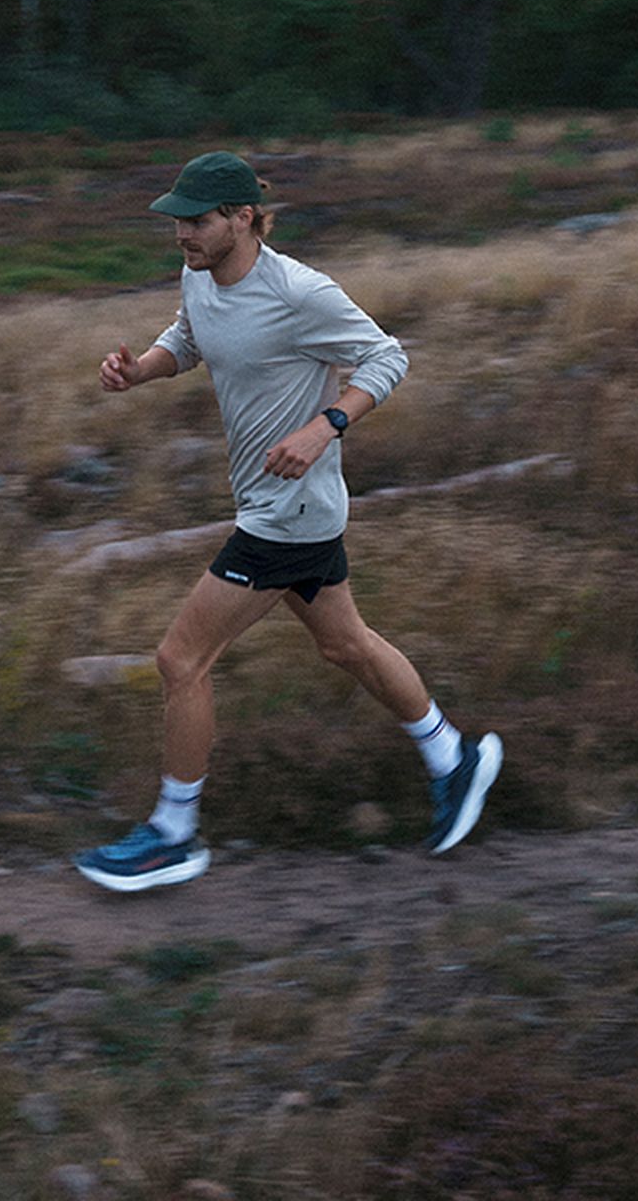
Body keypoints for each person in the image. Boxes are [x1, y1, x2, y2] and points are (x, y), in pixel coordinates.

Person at [74, 151, 500, 892]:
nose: (182, 235)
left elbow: (385, 357)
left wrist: (324, 426)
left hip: (288, 514)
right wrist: (142, 369)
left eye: (197, 221)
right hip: (278, 504)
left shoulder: (301, 293)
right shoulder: (200, 274)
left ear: (243, 217)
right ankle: (452, 757)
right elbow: (190, 336)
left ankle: (173, 833)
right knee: (347, 647)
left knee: (181, 660)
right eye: (178, 222)